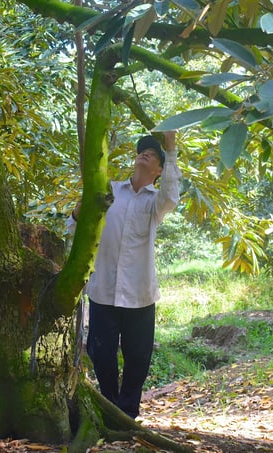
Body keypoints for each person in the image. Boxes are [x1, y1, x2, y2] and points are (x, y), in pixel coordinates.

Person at [69, 130, 182, 419]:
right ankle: (110, 407)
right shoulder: (108, 192)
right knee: (100, 353)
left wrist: (170, 147)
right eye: (143, 151)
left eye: (154, 155)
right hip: (104, 289)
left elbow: (172, 196)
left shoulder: (155, 203)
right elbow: (76, 230)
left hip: (139, 294)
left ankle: (127, 414)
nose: (146, 154)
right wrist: (75, 216)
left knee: (138, 359)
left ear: (159, 170)